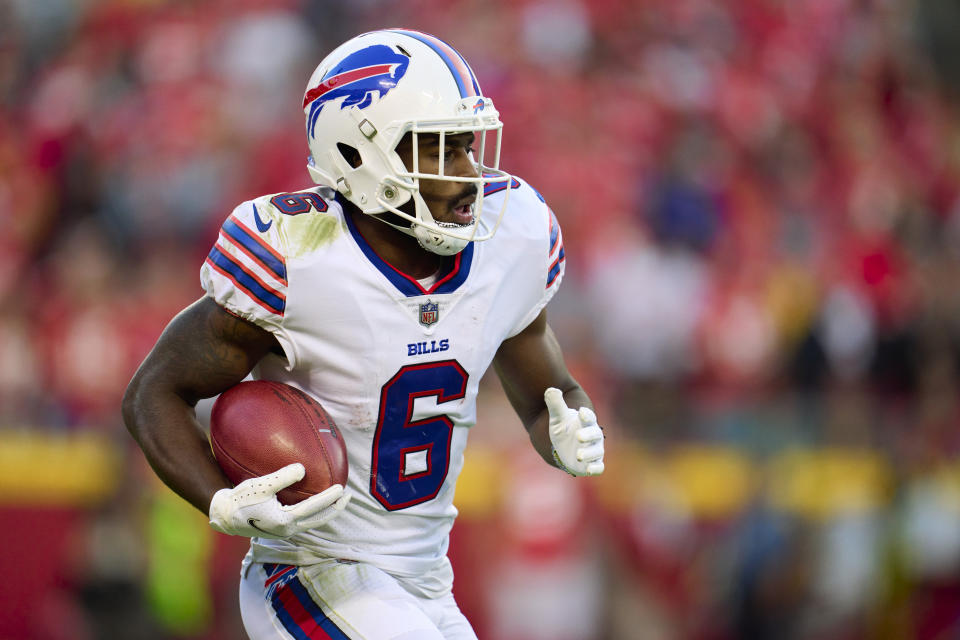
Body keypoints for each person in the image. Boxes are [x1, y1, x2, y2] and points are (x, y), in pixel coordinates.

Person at [123, 28, 605, 640]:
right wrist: (220, 501)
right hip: (310, 572)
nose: (469, 176)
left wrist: (564, 425)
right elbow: (152, 394)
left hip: (427, 581)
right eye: (440, 150)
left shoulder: (512, 239)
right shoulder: (299, 256)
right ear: (359, 155)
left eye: (467, 146)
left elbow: (546, 390)